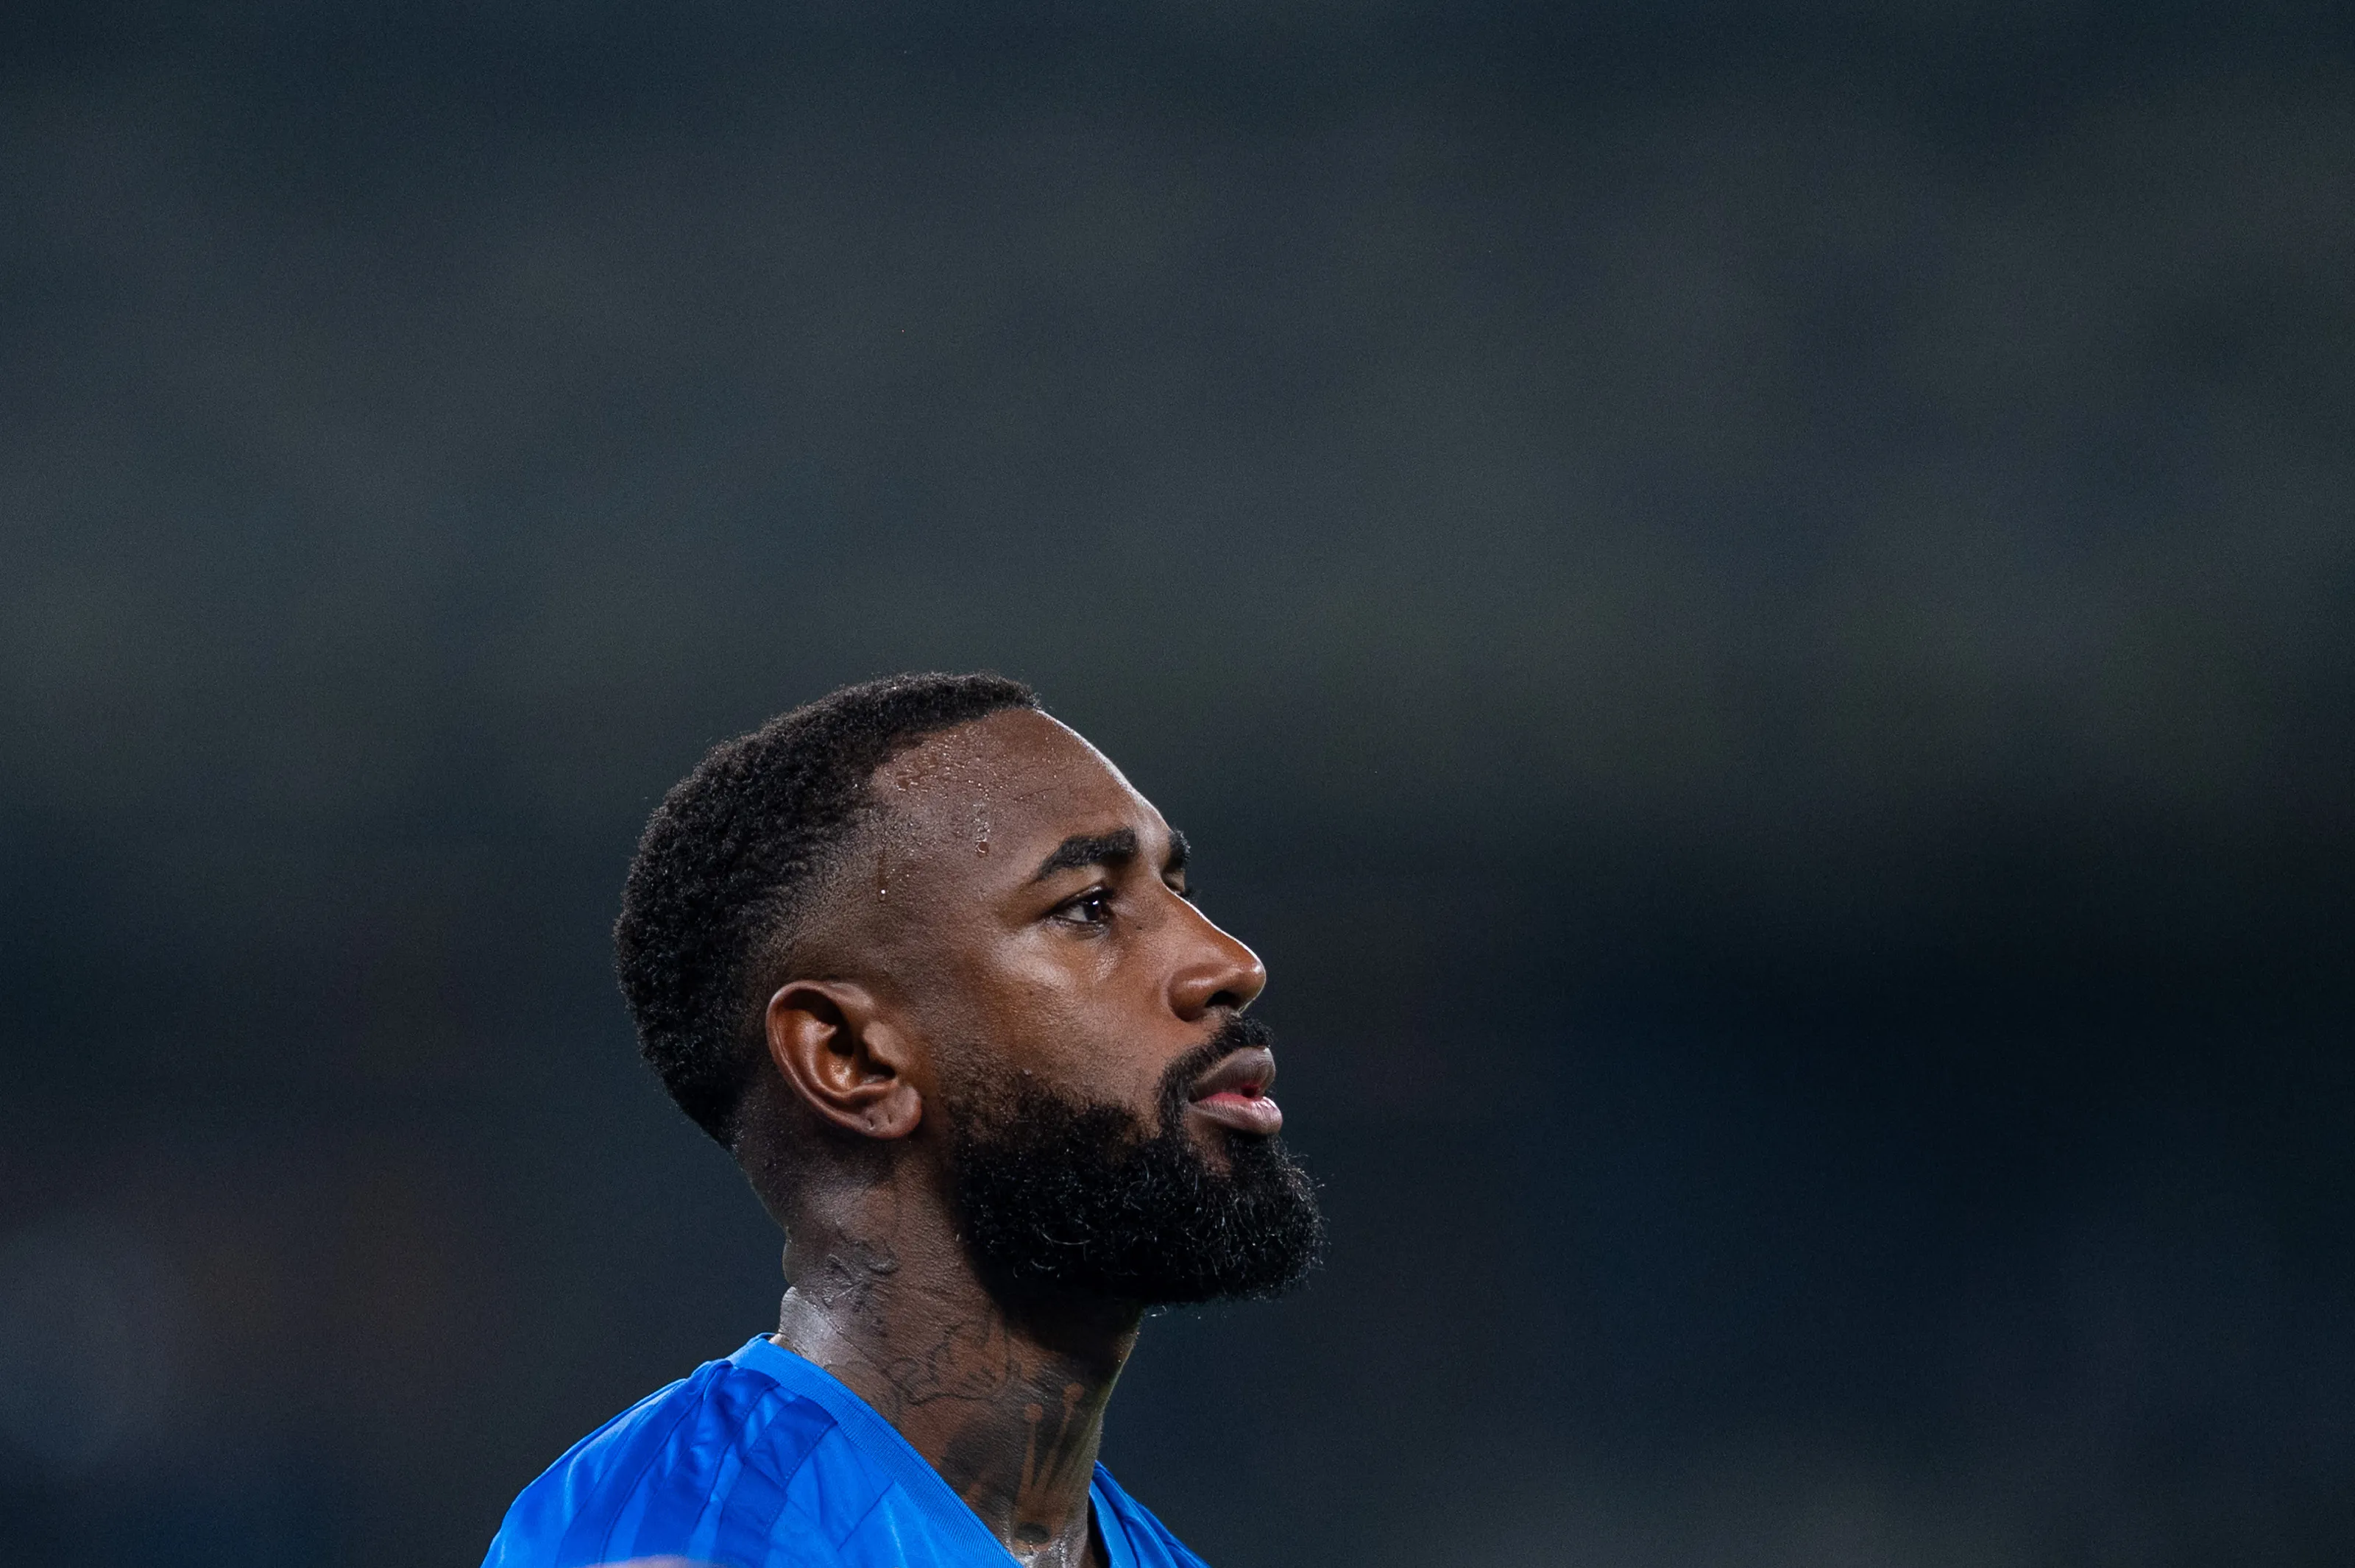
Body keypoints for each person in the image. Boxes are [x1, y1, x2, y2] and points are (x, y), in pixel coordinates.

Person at [483, 673, 1325, 1568]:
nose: (1230, 962)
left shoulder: (1141, 1550)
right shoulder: (685, 1542)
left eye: (1176, 889)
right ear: (850, 1056)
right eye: (1087, 906)